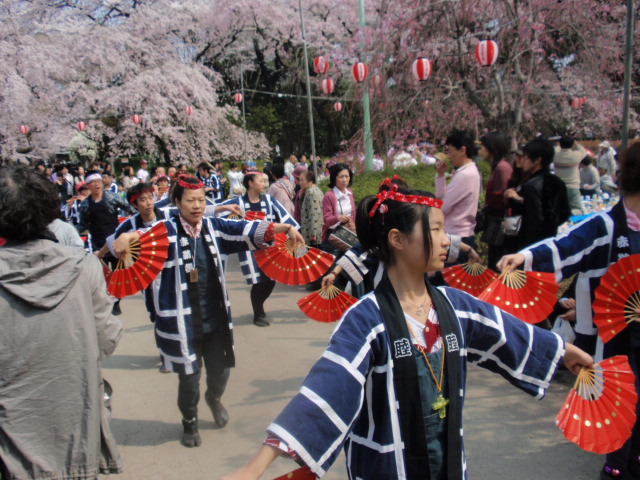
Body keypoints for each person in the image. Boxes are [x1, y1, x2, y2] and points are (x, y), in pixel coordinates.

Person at [222, 187, 593, 480]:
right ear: (397, 239)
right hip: (387, 466)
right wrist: (256, 466)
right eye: (435, 230)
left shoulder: (454, 304)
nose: (447, 240)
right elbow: (327, 388)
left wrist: (561, 351)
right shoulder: (367, 318)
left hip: (448, 463)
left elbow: (504, 331)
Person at [113, 175, 304, 448]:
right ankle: (189, 422)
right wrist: (125, 236)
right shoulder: (164, 230)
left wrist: (284, 227)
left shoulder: (215, 227)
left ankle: (213, 398)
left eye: (202, 200)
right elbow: (135, 237)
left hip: (215, 317)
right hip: (183, 320)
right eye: (190, 200)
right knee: (189, 380)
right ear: (176, 202)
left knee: (221, 372)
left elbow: (246, 229)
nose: (197, 205)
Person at [498, 142, 640, 480]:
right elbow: (566, 246)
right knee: (624, 417)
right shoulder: (607, 227)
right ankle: (617, 470)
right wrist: (527, 258)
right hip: (619, 343)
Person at [0, 166, 123, 479]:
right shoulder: (85, 267)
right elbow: (106, 341)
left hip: (10, 437)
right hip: (75, 428)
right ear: (48, 211)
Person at [218, 171, 300, 327]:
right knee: (258, 280)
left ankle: (259, 307)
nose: (264, 184)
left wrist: (293, 233)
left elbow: (284, 217)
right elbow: (221, 222)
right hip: (249, 248)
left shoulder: (269, 200)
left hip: (269, 246)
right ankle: (258, 313)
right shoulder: (238, 203)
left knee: (271, 280)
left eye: (265, 181)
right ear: (250, 183)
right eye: (261, 181)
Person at [77, 171, 135, 314]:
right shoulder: (85, 205)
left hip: (116, 242)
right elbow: (82, 225)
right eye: (92, 182)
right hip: (97, 244)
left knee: (118, 274)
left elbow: (130, 209)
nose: (97, 184)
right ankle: (106, 301)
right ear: (88, 186)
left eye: (99, 181)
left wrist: (137, 220)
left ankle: (116, 303)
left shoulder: (111, 197)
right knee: (102, 277)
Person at [503, 137, 570, 250]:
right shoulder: (558, 182)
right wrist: (551, 226)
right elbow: (565, 213)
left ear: (538, 160)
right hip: (550, 240)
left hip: (530, 245)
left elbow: (534, 221)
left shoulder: (531, 186)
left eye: (527, 157)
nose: (523, 160)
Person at [435, 129, 481, 263]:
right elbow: (442, 198)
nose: (448, 156)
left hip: (458, 236)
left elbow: (442, 207)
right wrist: (441, 175)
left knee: (447, 279)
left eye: (450, 151)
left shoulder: (465, 175)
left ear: (462, 150)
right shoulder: (465, 172)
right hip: (459, 234)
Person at [477, 132, 512, 271]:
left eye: (484, 147)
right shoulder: (497, 166)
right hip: (494, 219)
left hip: (499, 222)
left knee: (496, 261)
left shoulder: (502, 168)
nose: (481, 150)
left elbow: (503, 197)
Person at [321, 163, 356, 255]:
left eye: (347, 176)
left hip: (349, 235)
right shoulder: (329, 196)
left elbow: (354, 214)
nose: (344, 180)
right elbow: (326, 219)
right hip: (333, 238)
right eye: (341, 177)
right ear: (334, 178)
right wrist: (338, 218)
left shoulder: (350, 193)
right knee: (332, 267)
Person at [554, 135, 585, 215]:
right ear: (572, 144)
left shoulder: (555, 155)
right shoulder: (576, 155)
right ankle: (569, 214)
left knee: (558, 208)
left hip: (558, 187)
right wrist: (576, 144)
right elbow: (583, 151)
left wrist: (558, 145)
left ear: (560, 144)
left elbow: (554, 149)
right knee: (578, 210)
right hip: (573, 186)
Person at [298, 169, 323, 248]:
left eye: (302, 180)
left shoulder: (311, 193)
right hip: (317, 231)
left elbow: (314, 213)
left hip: (311, 234)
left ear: (310, 181)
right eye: (299, 180)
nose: (300, 183)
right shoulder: (316, 190)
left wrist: (313, 233)